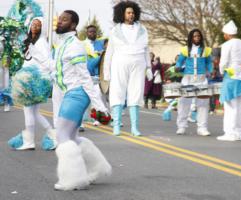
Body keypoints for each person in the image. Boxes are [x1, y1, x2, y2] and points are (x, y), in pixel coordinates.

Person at [52, 10, 111, 190]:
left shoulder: (75, 45)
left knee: (62, 135)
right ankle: (98, 168)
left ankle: (73, 179)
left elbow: (85, 77)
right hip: (71, 93)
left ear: (73, 25)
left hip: (77, 94)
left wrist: (99, 105)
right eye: (59, 19)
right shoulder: (63, 43)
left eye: (64, 20)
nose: (59, 21)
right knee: (72, 137)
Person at [104, 1, 152, 136]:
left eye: (133, 12)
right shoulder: (115, 30)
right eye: (128, 12)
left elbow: (146, 49)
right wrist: (106, 71)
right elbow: (109, 52)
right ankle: (117, 125)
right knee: (117, 92)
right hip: (120, 61)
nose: (131, 15)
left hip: (138, 62)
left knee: (136, 94)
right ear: (122, 14)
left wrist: (149, 67)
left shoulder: (142, 29)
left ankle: (134, 127)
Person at [7, 17, 57, 151]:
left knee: (29, 111)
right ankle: (52, 135)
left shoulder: (41, 43)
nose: (35, 27)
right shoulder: (31, 43)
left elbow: (46, 62)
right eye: (33, 24)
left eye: (38, 25)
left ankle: (30, 141)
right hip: (29, 79)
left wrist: (41, 79)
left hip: (34, 81)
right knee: (33, 112)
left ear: (43, 28)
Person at [175, 29, 213, 136]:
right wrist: (178, 67)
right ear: (191, 38)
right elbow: (179, 61)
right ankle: (181, 126)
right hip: (188, 80)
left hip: (201, 80)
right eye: (195, 36)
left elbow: (209, 63)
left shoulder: (206, 50)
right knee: (184, 104)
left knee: (203, 104)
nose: (197, 38)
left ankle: (202, 128)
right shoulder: (185, 50)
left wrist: (211, 70)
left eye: (198, 36)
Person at [217, 20, 241, 141]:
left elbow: (223, 63)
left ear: (227, 34)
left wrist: (221, 71)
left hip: (230, 78)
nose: (224, 36)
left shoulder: (227, 45)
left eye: (224, 33)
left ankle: (230, 133)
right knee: (240, 107)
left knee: (230, 107)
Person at [0, 36, 12, 112]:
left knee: (5, 83)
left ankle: (6, 103)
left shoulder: (4, 37)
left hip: (3, 62)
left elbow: (8, 50)